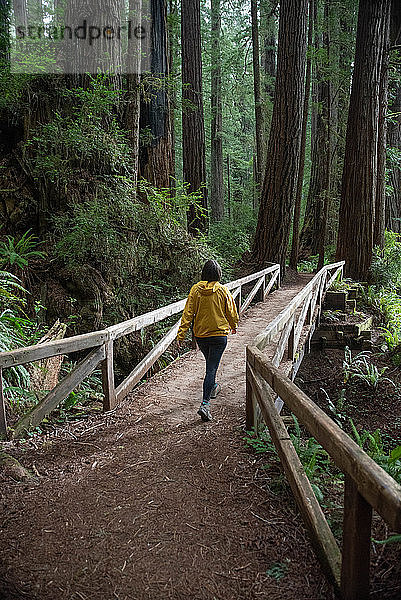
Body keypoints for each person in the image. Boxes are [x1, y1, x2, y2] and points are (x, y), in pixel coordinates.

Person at [177, 259, 239, 422]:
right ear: (218, 274)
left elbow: (188, 313)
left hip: (201, 336)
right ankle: (205, 404)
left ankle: (213, 386)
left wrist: (181, 334)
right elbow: (231, 311)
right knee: (211, 368)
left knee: (210, 364)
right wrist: (234, 325)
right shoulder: (223, 290)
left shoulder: (195, 290)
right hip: (219, 335)